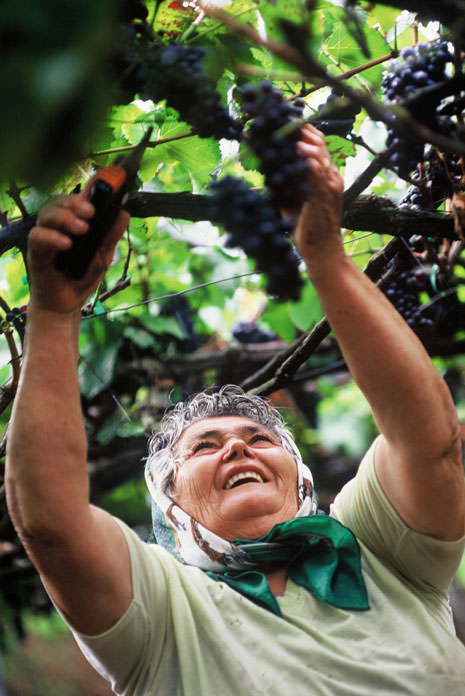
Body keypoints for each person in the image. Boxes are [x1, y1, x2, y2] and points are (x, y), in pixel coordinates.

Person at [5, 125, 465, 695]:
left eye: (260, 438)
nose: (237, 446)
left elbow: (433, 445)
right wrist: (52, 315)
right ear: (169, 506)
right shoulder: (163, 611)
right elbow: (50, 525)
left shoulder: (375, 547)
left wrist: (324, 256)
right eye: (203, 445)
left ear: (301, 475)